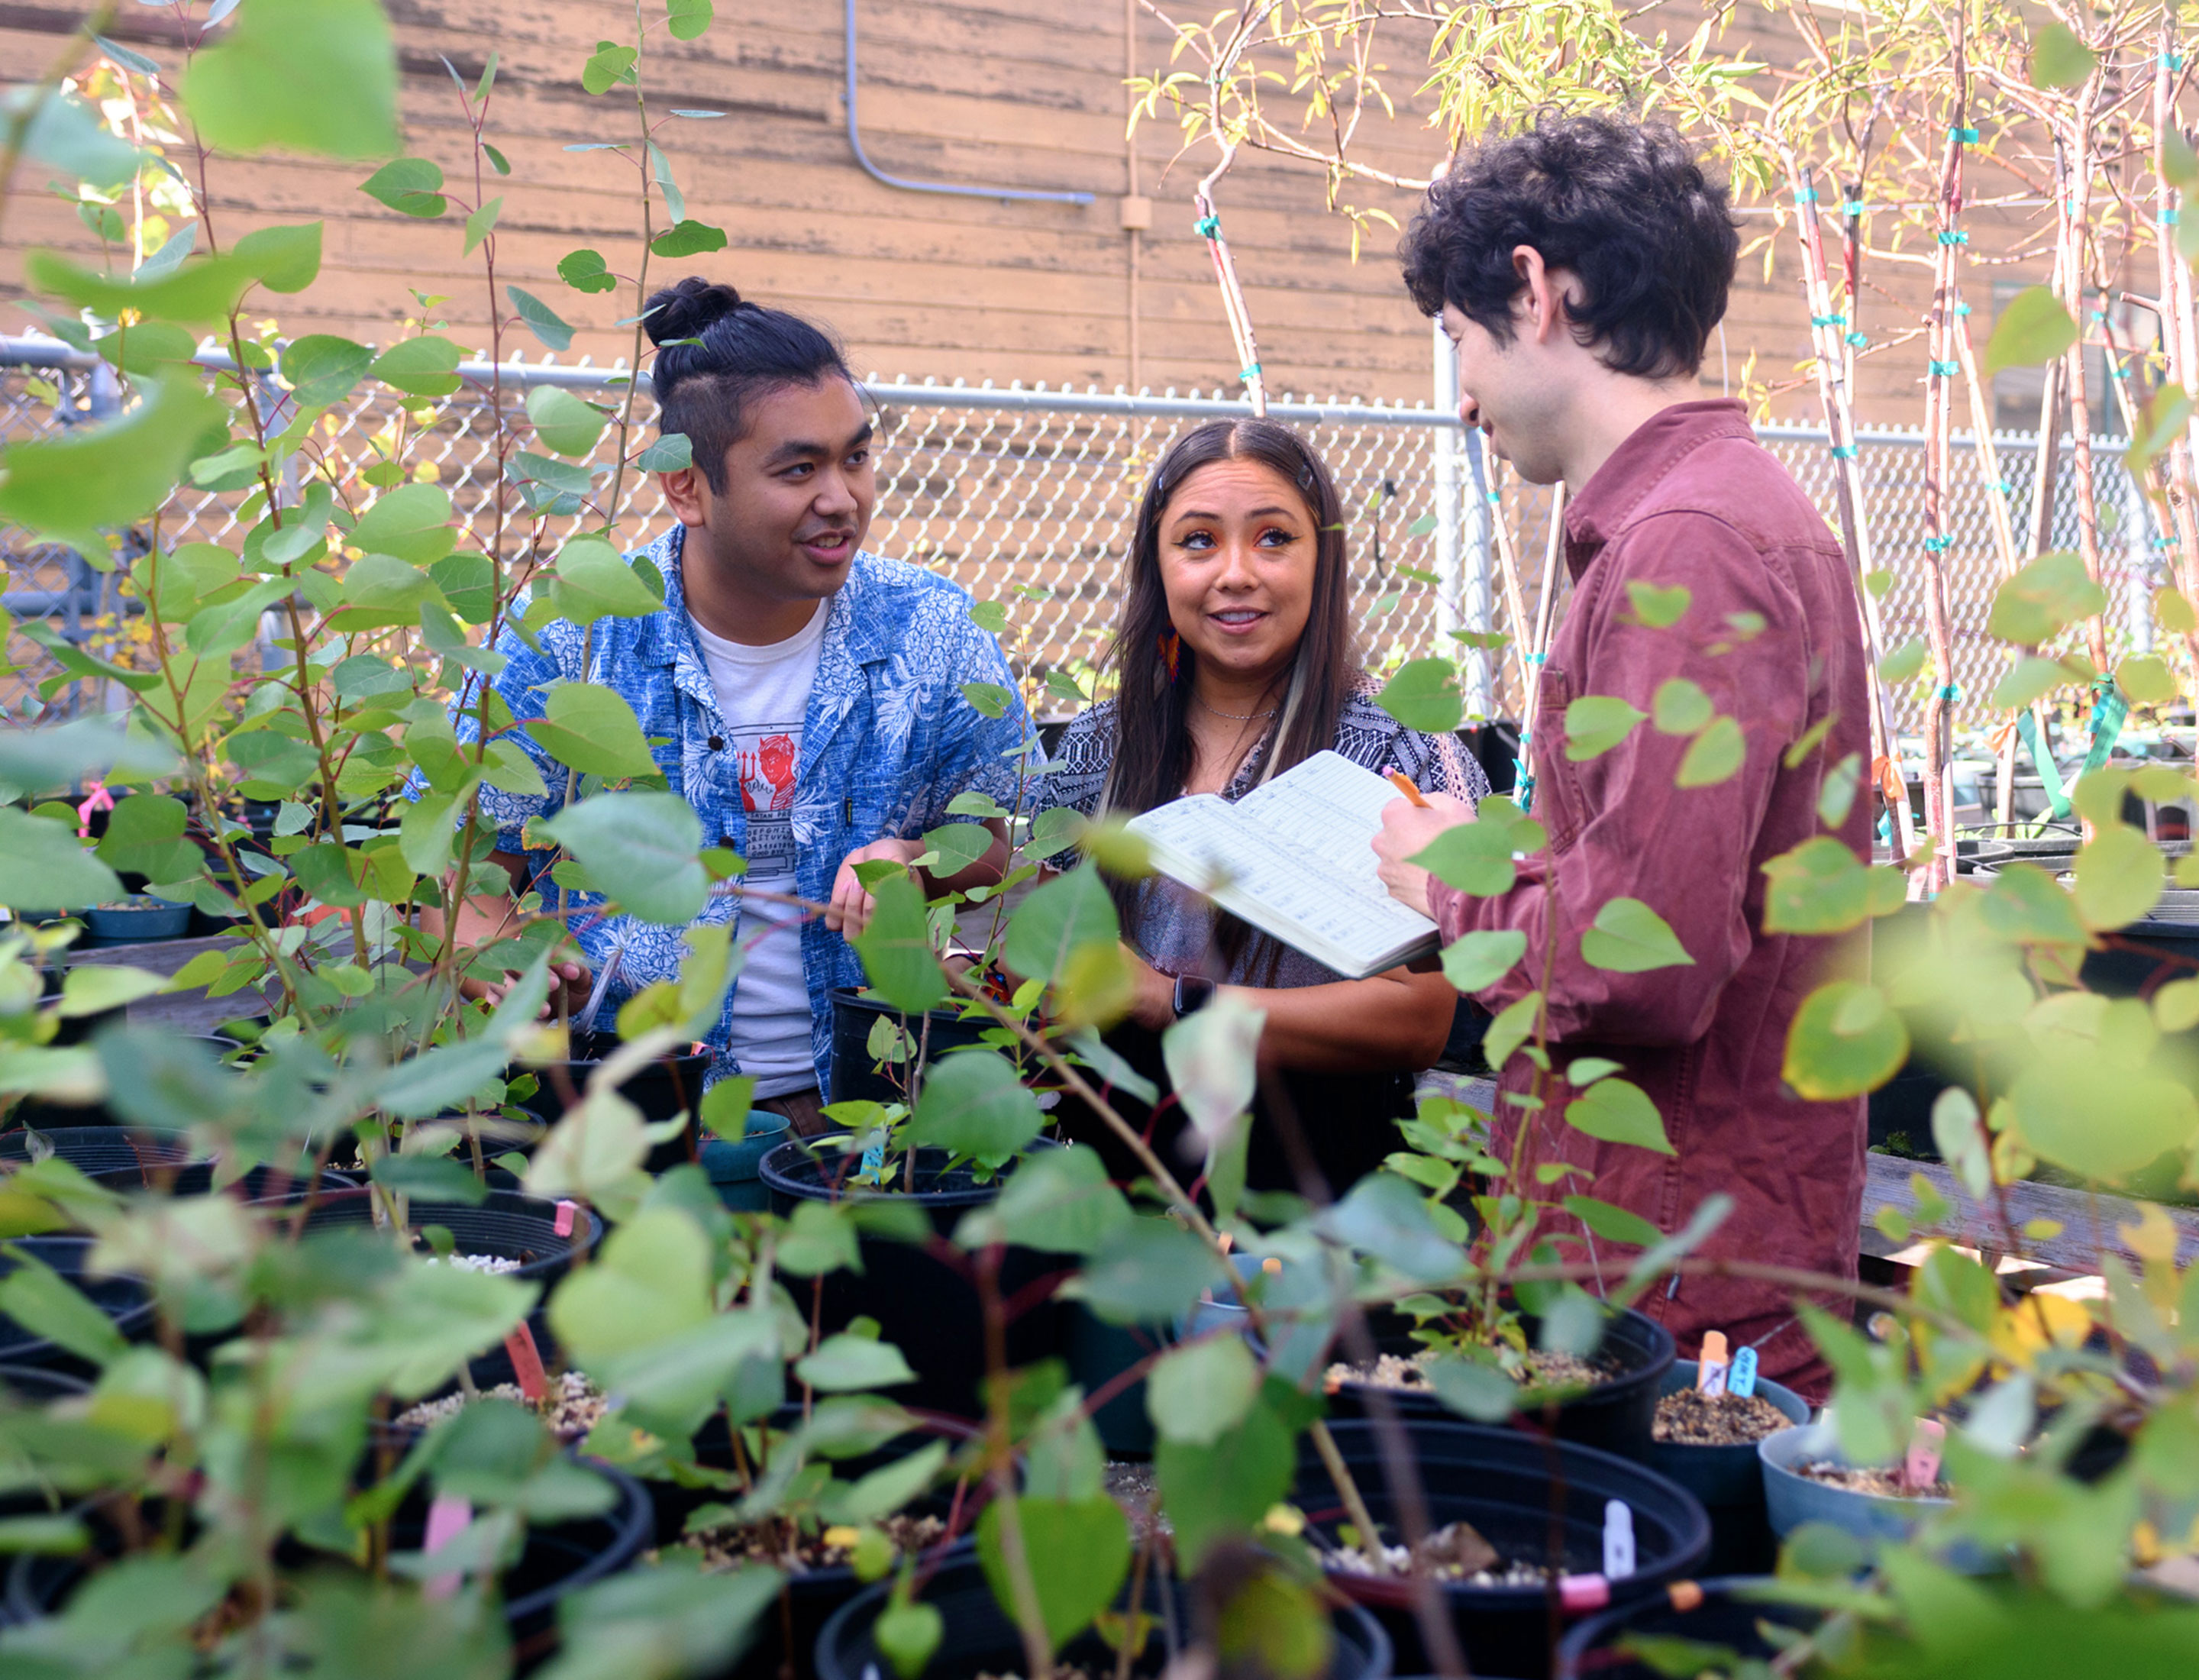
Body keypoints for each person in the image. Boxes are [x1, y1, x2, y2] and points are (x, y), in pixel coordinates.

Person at [1370, 115, 1869, 1401]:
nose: (1466, 396)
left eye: (1461, 345)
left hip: (1674, 1272)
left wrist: (1443, 884)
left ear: (1536, 291)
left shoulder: (1686, 545)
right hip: (1689, 1234)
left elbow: (1646, 952)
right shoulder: (1719, 516)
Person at [420, 278, 1035, 1132]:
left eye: (855, 457)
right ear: (687, 491)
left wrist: (913, 856)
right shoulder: (573, 637)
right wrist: (496, 951)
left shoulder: (932, 629)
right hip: (631, 1110)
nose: (842, 498)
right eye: (798, 469)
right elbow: (453, 864)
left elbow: (1018, 839)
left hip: (871, 1113)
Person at [1036, 416, 1488, 1194]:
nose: (1237, 573)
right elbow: (1052, 963)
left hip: (1332, 1190)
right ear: (1158, 563)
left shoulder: (1401, 754)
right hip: (1121, 1178)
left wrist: (1169, 997)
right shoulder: (1095, 747)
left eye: (1274, 538)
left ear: (1324, 558)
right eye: (1199, 541)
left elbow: (1424, 1019)